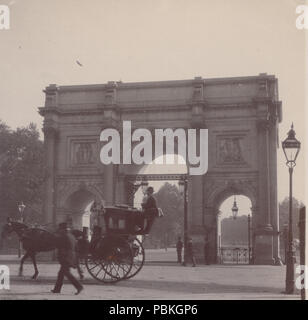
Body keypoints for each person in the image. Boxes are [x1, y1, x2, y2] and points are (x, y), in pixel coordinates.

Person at [51, 223, 83, 295]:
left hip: (66, 257)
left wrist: (54, 236)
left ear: (62, 229)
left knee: (66, 273)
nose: (59, 231)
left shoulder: (64, 236)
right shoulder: (71, 236)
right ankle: (57, 289)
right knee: (61, 273)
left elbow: (58, 245)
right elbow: (76, 248)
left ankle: (79, 286)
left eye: (60, 229)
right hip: (71, 256)